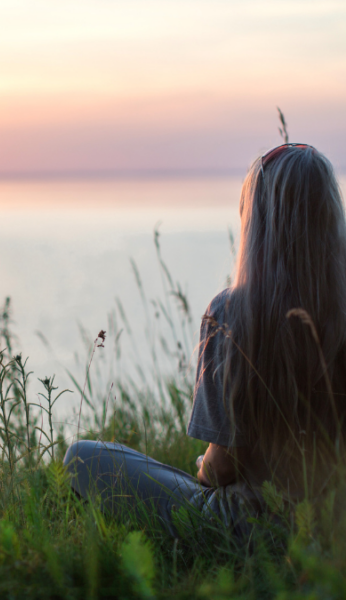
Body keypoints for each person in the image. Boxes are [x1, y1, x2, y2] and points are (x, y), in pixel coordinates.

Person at [64, 143, 346, 536]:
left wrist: (204, 464)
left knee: (83, 456)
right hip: (334, 529)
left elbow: (219, 470)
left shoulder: (233, 313)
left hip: (247, 530)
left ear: (258, 224)